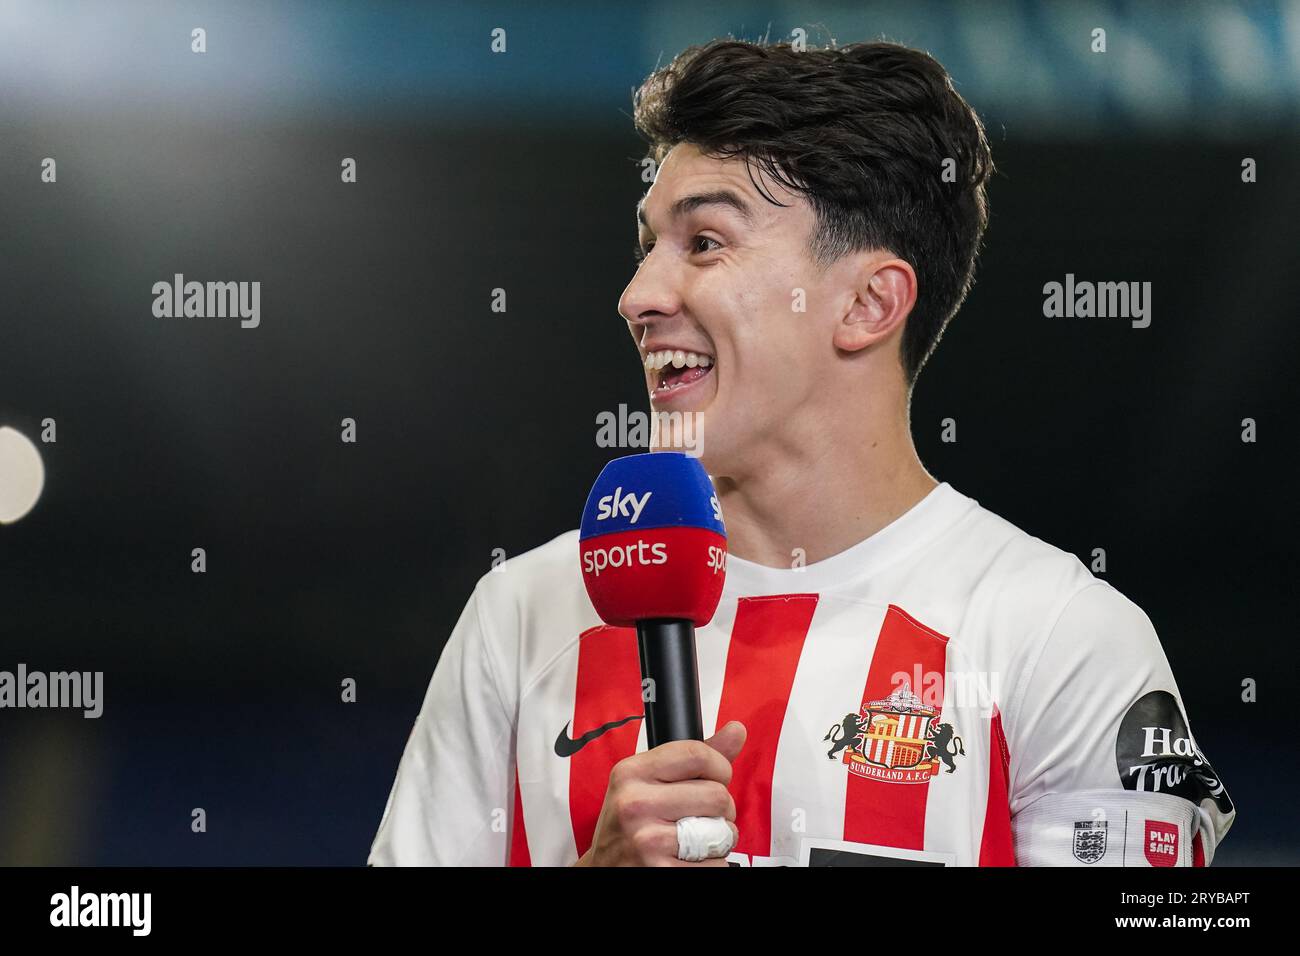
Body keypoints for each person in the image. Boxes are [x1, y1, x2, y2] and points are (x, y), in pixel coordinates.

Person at [368, 38, 1234, 867]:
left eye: (704, 243)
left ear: (867, 304)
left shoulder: (1064, 638)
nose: (637, 296)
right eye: (647, 246)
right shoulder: (521, 618)